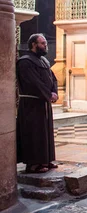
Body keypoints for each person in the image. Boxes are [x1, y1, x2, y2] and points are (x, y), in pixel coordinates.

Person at [16, 34, 58, 173]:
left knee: (46, 133)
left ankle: (46, 159)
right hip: (31, 104)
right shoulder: (25, 62)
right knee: (34, 134)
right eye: (42, 43)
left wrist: (54, 92)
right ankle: (33, 164)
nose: (45, 46)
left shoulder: (44, 61)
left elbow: (53, 78)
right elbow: (34, 82)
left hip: (43, 102)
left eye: (45, 43)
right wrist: (48, 94)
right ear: (33, 44)